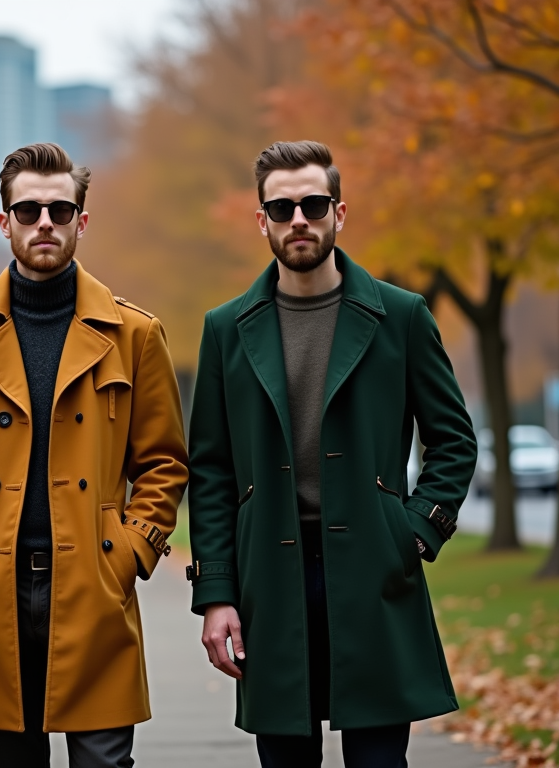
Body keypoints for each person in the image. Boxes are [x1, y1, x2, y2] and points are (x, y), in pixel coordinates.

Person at [187, 140, 477, 767]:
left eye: (314, 205)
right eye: (283, 207)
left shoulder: (401, 316)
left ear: (338, 214)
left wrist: (416, 531)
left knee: (379, 760)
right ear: (260, 220)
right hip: (269, 574)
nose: (300, 220)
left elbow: (452, 439)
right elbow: (211, 469)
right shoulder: (225, 328)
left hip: (375, 568)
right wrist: (216, 594)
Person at [0, 143, 188, 767]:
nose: (45, 223)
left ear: (81, 222)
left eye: (59, 211)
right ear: (4, 219)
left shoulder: (134, 334)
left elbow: (165, 462)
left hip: (95, 582)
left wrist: (131, 550)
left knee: (105, 763)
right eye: (29, 209)